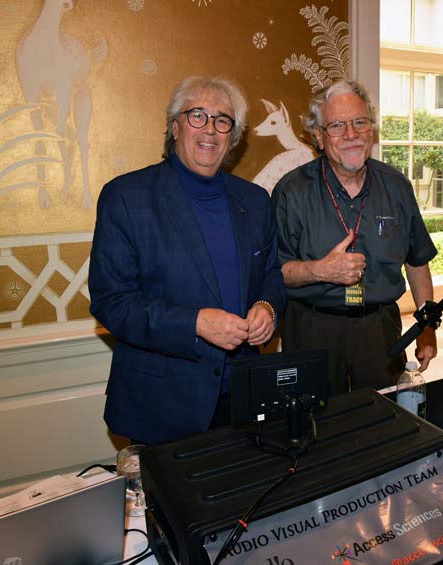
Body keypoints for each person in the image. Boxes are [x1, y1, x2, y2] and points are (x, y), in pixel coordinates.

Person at [89, 76, 285, 445]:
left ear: (233, 136)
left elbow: (272, 273)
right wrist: (195, 323)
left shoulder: (256, 200)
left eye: (222, 120)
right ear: (175, 126)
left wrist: (267, 306)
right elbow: (111, 302)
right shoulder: (126, 197)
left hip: (243, 398)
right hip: (162, 403)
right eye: (198, 115)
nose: (210, 129)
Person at [272, 80, 437, 396]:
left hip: (380, 330)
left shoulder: (397, 187)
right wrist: (321, 270)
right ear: (319, 137)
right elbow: (273, 273)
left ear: (371, 130)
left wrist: (427, 324)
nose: (351, 134)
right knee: (313, 428)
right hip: (310, 329)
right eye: (336, 125)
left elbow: (417, 261)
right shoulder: (291, 192)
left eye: (359, 122)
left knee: (382, 421)